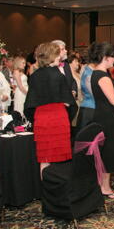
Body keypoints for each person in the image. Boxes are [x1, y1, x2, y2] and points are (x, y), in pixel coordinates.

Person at [24, 42, 77, 174]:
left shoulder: (35, 76)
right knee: (60, 159)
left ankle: (45, 190)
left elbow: (29, 105)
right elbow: (70, 103)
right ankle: (57, 189)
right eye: (57, 54)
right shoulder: (58, 75)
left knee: (44, 158)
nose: (59, 56)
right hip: (58, 117)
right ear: (51, 56)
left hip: (41, 118)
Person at [90, 42, 114, 199]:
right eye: (113, 57)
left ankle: (102, 184)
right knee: (108, 152)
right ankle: (105, 187)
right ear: (105, 57)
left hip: (103, 115)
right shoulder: (102, 76)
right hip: (106, 118)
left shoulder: (96, 73)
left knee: (104, 151)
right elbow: (113, 100)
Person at [78, 50, 97, 128]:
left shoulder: (88, 70)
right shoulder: (88, 73)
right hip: (89, 109)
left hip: (89, 108)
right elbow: (93, 93)